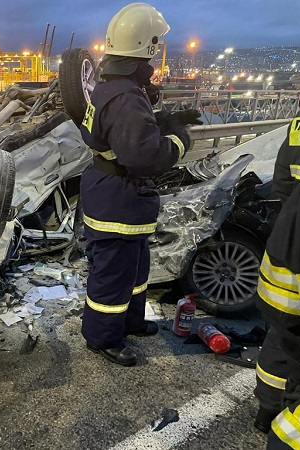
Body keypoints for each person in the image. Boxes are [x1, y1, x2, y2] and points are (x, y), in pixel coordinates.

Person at [78, 3, 200, 367]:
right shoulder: (126, 96)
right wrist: (180, 139)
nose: (157, 56)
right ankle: (102, 338)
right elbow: (145, 156)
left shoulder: (112, 88)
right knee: (113, 275)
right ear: (144, 49)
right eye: (155, 47)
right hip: (118, 200)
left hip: (114, 195)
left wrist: (163, 119)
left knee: (133, 269)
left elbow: (123, 131)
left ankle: (128, 321)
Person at [255, 100, 300, 433]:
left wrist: (291, 219)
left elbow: (281, 177)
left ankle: (267, 408)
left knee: (285, 324)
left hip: (291, 233)